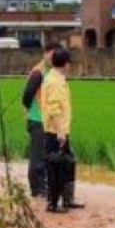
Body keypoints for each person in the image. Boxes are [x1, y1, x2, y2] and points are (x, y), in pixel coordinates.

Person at [40, 47, 82, 212]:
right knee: (56, 166)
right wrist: (60, 133)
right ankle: (53, 203)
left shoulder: (55, 78)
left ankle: (67, 199)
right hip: (56, 132)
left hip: (60, 130)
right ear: (66, 64)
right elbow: (55, 109)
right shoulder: (55, 82)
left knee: (68, 164)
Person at [19, 51, 51, 198]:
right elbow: (27, 95)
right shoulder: (38, 72)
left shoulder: (49, 72)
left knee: (44, 154)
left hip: (44, 119)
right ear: (45, 54)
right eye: (52, 54)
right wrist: (31, 111)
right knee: (37, 155)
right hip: (37, 119)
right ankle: (36, 189)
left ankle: (42, 187)